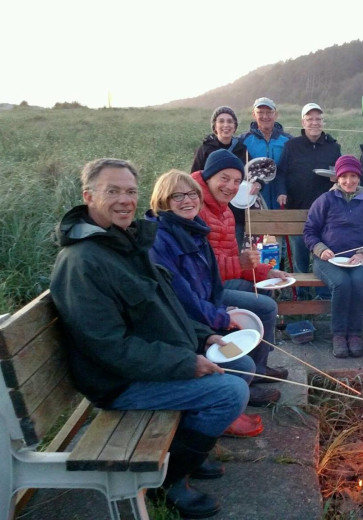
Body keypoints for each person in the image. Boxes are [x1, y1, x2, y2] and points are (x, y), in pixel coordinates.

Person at [50, 158, 249, 519]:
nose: (125, 200)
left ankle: (186, 454)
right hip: (118, 382)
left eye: (130, 191)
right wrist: (186, 363)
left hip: (144, 365)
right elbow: (109, 348)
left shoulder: (123, 242)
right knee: (230, 391)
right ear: (88, 196)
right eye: (113, 191)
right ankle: (168, 481)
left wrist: (204, 337)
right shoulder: (84, 262)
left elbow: (167, 307)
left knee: (233, 367)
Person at [147, 168, 281, 421]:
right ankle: (235, 396)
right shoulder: (162, 239)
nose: (187, 201)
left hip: (207, 303)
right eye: (178, 196)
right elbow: (182, 295)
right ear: (163, 201)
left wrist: (223, 307)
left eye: (190, 195)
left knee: (261, 305)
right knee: (256, 320)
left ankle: (253, 378)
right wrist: (218, 319)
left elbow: (212, 281)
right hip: (183, 324)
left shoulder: (197, 226)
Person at [192, 149, 291, 398]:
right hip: (202, 291)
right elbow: (204, 267)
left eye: (237, 181)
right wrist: (242, 264)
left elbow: (237, 262)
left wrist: (267, 270)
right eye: (224, 178)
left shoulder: (224, 209)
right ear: (209, 176)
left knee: (261, 292)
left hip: (219, 283)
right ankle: (248, 379)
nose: (231, 186)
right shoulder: (194, 206)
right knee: (265, 307)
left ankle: (257, 368)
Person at [304, 155, 363, 358]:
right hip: (327, 259)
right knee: (341, 283)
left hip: (359, 259)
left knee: (357, 281)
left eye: (353, 176)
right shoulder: (326, 200)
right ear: (337, 178)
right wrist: (320, 249)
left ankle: (355, 333)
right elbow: (310, 231)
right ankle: (338, 334)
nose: (349, 181)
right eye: (344, 176)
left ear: (359, 178)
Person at [275, 102, 341, 298]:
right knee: (300, 256)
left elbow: (340, 174)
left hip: (325, 212)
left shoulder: (333, 146)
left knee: (324, 255)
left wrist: (336, 179)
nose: (314, 122)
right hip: (298, 208)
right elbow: (280, 174)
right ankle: (301, 295)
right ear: (303, 122)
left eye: (318, 119)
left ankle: (323, 295)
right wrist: (281, 191)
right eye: (310, 119)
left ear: (323, 122)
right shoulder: (291, 146)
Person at [190, 106, 256, 249]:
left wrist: (258, 183)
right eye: (221, 121)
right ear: (215, 126)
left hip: (237, 211)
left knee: (233, 249)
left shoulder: (242, 149)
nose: (225, 125)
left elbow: (252, 171)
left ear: (235, 126)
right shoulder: (205, 149)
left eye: (230, 121)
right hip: (209, 211)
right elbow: (193, 179)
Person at [241, 97, 292, 210]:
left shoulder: (288, 141)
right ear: (254, 115)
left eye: (269, 112)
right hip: (254, 203)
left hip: (284, 203)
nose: (265, 116)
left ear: (276, 115)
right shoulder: (243, 141)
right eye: (260, 112)